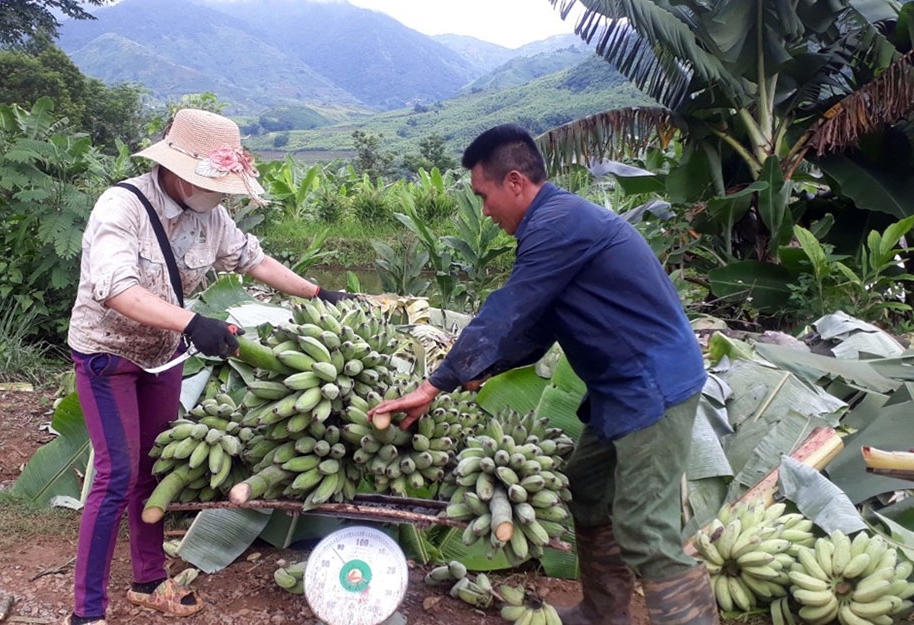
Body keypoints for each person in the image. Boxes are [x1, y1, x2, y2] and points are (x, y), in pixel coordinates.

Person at [369, 124, 717, 625]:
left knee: (646, 529)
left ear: (514, 182)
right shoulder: (551, 228)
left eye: (483, 196)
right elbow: (537, 326)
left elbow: (508, 309)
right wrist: (482, 370)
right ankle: (603, 614)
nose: (484, 211)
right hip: (618, 389)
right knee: (589, 490)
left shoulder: (561, 223)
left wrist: (433, 384)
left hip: (652, 386)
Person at [64, 108, 353, 625]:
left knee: (154, 469)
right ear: (175, 170)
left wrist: (317, 291)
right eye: (209, 184)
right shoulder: (122, 206)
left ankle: (149, 580)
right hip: (108, 353)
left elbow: (252, 260)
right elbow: (115, 289)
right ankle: (87, 612)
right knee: (116, 475)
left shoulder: (212, 216)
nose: (217, 195)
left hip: (163, 355)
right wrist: (193, 321)